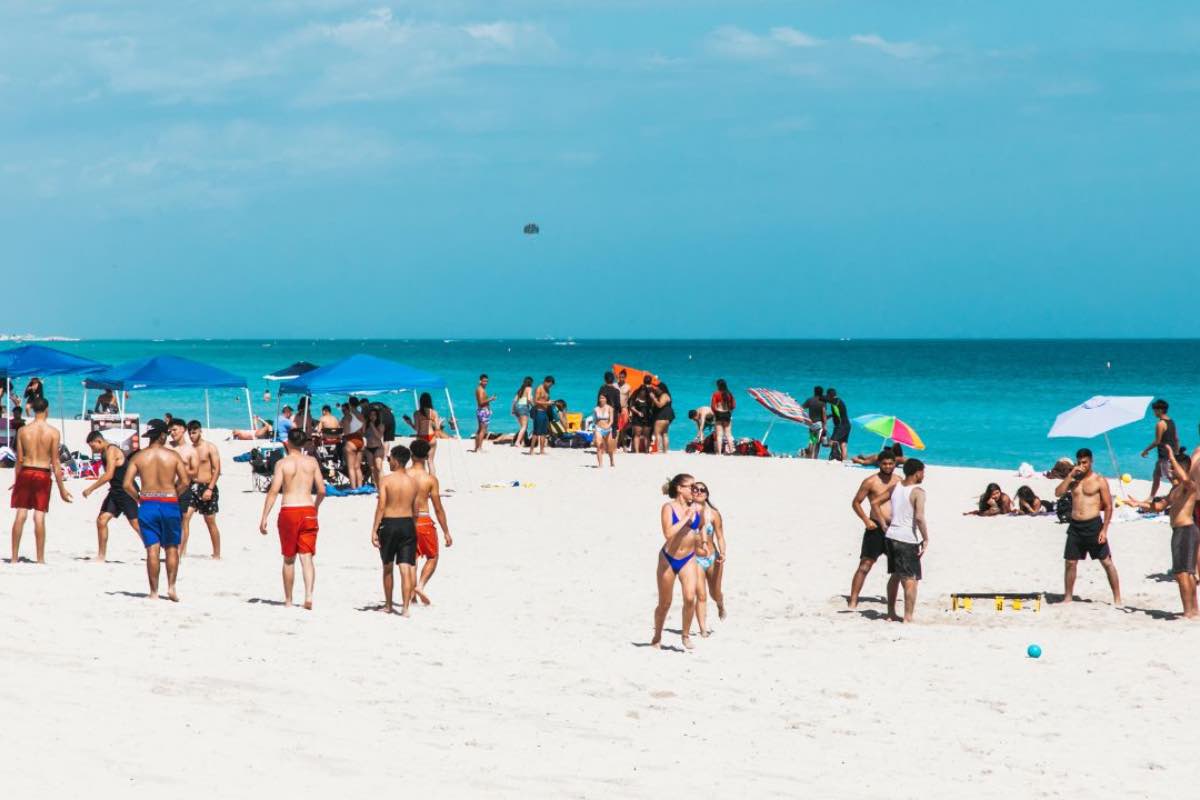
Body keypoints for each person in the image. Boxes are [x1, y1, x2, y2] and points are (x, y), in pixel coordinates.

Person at [1126, 445, 1197, 617]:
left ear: (1183, 469)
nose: (1170, 471)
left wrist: (1172, 456)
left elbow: (1186, 479)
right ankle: (1193, 610)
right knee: (1185, 573)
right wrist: (1139, 504)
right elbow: (1159, 506)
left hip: (1186, 530)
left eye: (1173, 468)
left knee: (1182, 573)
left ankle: (1190, 611)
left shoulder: (1190, 486)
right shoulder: (1175, 489)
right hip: (1180, 531)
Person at [258, 427, 325, 609]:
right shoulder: (312, 462)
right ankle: (309, 596)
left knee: (289, 558)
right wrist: (316, 506)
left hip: (289, 510)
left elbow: (273, 491)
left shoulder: (282, 464)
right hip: (308, 509)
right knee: (307, 556)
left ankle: (288, 600)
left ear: (287, 442)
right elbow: (321, 490)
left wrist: (264, 516)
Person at [123, 420, 189, 601]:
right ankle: (172, 587)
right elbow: (185, 481)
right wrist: (175, 493)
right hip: (169, 502)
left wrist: (138, 498)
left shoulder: (139, 457)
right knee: (172, 547)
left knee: (152, 549)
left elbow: (127, 484)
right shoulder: (173, 456)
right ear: (162, 435)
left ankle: (153, 592)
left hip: (148, 503)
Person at [1054, 447, 1121, 605]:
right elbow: (1057, 493)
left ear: (1091, 461)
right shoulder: (1074, 480)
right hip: (1076, 526)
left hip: (1093, 526)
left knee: (1106, 562)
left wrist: (1104, 530)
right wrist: (1070, 475)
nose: (1081, 465)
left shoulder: (1099, 480)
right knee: (1070, 562)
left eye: (1084, 462)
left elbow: (1109, 506)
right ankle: (1068, 597)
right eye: (1079, 462)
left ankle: (1117, 597)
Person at [10, 396, 71, 564]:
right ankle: (40, 559)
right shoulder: (53, 432)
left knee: (20, 514)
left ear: (33, 409)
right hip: (42, 473)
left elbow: (19, 460)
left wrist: (17, 480)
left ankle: (14, 558)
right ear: (47, 410)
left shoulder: (23, 431)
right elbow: (55, 463)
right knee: (39, 516)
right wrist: (62, 489)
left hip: (26, 472)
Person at [652, 473, 702, 650]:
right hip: (668, 558)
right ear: (680, 489)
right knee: (665, 603)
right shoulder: (668, 507)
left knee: (690, 598)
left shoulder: (696, 507)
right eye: (691, 486)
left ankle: (685, 635)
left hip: (689, 558)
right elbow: (668, 533)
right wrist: (686, 518)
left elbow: (699, 531)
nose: (694, 490)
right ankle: (657, 636)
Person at [847, 449, 902, 609]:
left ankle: (892, 603)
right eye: (884, 463)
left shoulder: (899, 481)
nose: (887, 466)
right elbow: (856, 502)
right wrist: (866, 520)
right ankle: (853, 599)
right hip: (875, 527)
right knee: (865, 564)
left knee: (898, 569)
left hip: (894, 528)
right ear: (879, 464)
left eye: (891, 463)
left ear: (895, 464)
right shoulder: (870, 481)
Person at [372, 444, 421, 615]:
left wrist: (374, 529)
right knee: (406, 567)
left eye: (389, 458)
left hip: (389, 524)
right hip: (407, 524)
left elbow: (381, 506)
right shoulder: (413, 483)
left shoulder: (386, 480)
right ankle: (406, 607)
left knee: (387, 566)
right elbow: (416, 510)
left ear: (396, 461)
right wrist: (413, 528)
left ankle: (388, 604)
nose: (388, 461)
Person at [880, 458, 929, 623]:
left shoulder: (896, 486)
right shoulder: (918, 491)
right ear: (917, 473)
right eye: (923, 472)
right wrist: (926, 538)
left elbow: (875, 502)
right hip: (906, 538)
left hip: (891, 535)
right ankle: (908, 616)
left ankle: (890, 613)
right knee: (911, 579)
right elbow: (920, 517)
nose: (924, 475)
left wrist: (883, 524)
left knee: (895, 575)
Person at [82, 431, 140, 561]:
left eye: (93, 447)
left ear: (99, 441)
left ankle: (154, 549)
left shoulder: (111, 450)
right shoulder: (104, 452)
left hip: (126, 491)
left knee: (136, 524)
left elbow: (109, 475)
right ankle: (101, 556)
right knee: (101, 521)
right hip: (115, 492)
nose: (93, 450)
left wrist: (90, 489)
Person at [407, 438, 452, 605]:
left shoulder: (404, 475)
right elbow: (438, 508)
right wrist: (446, 531)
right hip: (424, 520)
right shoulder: (430, 479)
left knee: (411, 560)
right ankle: (420, 586)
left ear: (411, 455)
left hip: (406, 520)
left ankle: (411, 595)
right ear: (427, 457)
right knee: (432, 556)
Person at [180, 420, 221, 559]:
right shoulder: (189, 449)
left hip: (207, 486)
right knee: (185, 517)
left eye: (194, 432)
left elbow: (216, 470)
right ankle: (182, 551)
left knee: (210, 521)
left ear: (200, 431)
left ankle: (216, 554)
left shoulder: (210, 447)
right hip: (192, 486)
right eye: (190, 433)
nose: (192, 435)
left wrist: (210, 489)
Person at [692, 481, 727, 635]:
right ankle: (703, 628)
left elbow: (720, 536)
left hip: (713, 557)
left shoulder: (713, 514)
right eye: (695, 489)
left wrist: (723, 553)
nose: (698, 492)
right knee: (701, 594)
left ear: (706, 494)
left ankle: (720, 604)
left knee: (715, 593)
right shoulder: (687, 512)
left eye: (702, 490)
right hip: (695, 558)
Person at [1141, 399, 1180, 502]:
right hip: (1171, 454)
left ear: (1160, 410)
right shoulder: (1171, 421)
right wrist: (1177, 453)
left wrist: (1145, 450)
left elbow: (1157, 441)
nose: (1154, 412)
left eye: (1154, 410)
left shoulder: (1160, 424)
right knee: (1156, 475)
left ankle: (1180, 498)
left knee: (1173, 480)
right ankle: (1151, 498)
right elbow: (1176, 439)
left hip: (1165, 456)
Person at [413, 392, 442, 473]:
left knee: (421, 462)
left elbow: (416, 429)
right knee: (430, 461)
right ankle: (433, 481)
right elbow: (437, 428)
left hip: (421, 438)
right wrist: (438, 422)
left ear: (420, 402)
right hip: (431, 437)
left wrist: (409, 423)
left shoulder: (417, 413)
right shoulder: (434, 412)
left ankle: (423, 481)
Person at [341, 399, 366, 489]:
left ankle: (353, 488)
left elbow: (347, 432)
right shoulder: (362, 416)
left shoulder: (348, 416)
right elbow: (363, 431)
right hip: (360, 441)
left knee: (351, 467)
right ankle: (360, 487)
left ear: (350, 405)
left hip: (351, 441)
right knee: (358, 467)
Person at [528, 376, 554, 456]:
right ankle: (531, 450)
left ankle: (542, 450)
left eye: (551, 385)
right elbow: (535, 401)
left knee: (544, 432)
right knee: (536, 432)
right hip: (538, 412)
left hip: (545, 412)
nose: (550, 386)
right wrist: (547, 403)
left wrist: (550, 402)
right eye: (550, 385)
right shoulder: (539, 388)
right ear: (546, 382)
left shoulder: (547, 389)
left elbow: (545, 400)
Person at [627, 377, 654, 453]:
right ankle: (637, 451)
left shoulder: (649, 398)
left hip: (647, 417)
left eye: (645, 391)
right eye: (642, 391)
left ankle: (646, 451)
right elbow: (631, 406)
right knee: (637, 434)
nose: (643, 393)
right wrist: (637, 412)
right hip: (637, 417)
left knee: (647, 435)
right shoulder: (635, 397)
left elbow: (653, 406)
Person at [363, 405, 386, 486]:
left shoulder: (381, 425)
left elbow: (379, 436)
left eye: (374, 415)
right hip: (369, 448)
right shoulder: (367, 425)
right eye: (371, 415)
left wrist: (372, 426)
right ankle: (377, 485)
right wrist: (365, 424)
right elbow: (363, 434)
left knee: (379, 467)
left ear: (377, 416)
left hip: (378, 448)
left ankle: (383, 484)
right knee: (372, 468)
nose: (372, 417)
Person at [711, 379, 735, 455]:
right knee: (728, 434)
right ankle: (731, 451)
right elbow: (733, 405)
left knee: (719, 435)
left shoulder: (716, 394)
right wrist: (729, 412)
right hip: (727, 414)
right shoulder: (729, 394)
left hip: (718, 414)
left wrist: (716, 413)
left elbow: (713, 406)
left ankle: (719, 452)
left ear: (718, 385)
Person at [473, 374, 496, 453]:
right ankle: (479, 448)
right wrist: (491, 399)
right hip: (483, 410)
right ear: (480, 381)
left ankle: (476, 448)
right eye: (484, 381)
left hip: (481, 410)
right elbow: (481, 402)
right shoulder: (480, 390)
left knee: (480, 430)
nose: (486, 383)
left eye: (487, 381)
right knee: (483, 430)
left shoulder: (480, 389)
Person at [802, 386, 827, 459]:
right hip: (819, 423)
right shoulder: (823, 401)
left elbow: (801, 408)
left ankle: (809, 456)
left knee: (812, 440)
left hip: (811, 423)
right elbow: (824, 413)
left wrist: (805, 418)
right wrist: (825, 425)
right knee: (817, 442)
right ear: (822, 392)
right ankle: (815, 457)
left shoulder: (810, 400)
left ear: (814, 392)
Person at [826, 387, 850, 461]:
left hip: (841, 426)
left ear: (830, 395)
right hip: (847, 425)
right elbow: (836, 414)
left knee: (831, 442)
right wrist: (828, 417)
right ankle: (844, 461)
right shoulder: (837, 402)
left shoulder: (836, 401)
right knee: (843, 444)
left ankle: (836, 456)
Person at [650, 382, 675, 454]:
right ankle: (665, 450)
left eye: (658, 389)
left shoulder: (664, 395)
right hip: (667, 417)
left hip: (661, 416)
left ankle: (659, 449)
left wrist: (653, 398)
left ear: (661, 389)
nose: (656, 390)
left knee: (657, 433)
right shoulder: (667, 395)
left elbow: (660, 405)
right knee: (665, 434)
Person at [593, 392, 616, 467]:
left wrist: (608, 426)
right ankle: (600, 464)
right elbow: (595, 420)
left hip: (608, 429)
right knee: (599, 446)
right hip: (598, 429)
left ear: (606, 399)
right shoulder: (596, 409)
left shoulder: (610, 408)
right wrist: (595, 428)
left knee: (610, 448)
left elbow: (611, 420)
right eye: (600, 398)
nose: (601, 400)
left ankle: (611, 460)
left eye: (603, 398)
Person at [512, 377, 533, 448]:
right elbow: (529, 399)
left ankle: (523, 442)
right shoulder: (529, 388)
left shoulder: (520, 390)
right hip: (523, 407)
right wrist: (534, 406)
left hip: (517, 407)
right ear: (530, 383)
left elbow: (514, 400)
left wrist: (513, 410)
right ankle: (517, 442)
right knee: (524, 427)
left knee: (522, 427)